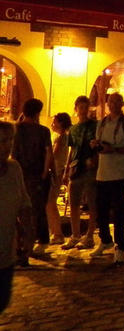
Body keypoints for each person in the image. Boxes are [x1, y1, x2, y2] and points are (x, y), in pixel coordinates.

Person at [92, 92, 124, 264]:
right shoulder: (102, 122)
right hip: (103, 172)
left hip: (120, 172)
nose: (112, 104)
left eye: (115, 102)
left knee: (119, 212)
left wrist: (115, 150)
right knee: (100, 210)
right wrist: (96, 145)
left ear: (122, 104)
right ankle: (105, 240)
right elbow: (99, 142)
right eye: (110, 101)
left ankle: (121, 247)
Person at [12, 98, 52, 257]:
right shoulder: (43, 131)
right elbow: (48, 152)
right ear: (37, 112)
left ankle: (23, 242)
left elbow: (13, 153)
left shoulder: (17, 129)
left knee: (21, 209)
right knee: (37, 208)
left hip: (21, 172)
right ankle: (41, 240)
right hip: (36, 174)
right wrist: (45, 172)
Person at [0, 121, 31, 313]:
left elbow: (24, 204)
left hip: (5, 256)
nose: (7, 146)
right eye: (2, 141)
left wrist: (27, 233)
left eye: (10, 140)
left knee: (2, 301)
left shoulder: (14, 169)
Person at [63, 95, 98, 250]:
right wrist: (66, 169)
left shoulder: (95, 126)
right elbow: (71, 150)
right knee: (74, 203)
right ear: (76, 109)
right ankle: (75, 234)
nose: (83, 111)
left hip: (90, 169)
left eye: (86, 107)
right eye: (80, 107)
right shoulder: (73, 129)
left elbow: (99, 145)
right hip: (76, 168)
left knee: (91, 203)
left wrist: (95, 159)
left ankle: (90, 235)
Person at [46, 112, 71, 245]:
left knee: (50, 203)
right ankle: (54, 231)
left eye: (55, 121)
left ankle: (57, 233)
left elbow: (52, 155)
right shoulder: (62, 136)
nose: (52, 123)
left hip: (56, 172)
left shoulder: (61, 137)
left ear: (60, 123)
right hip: (58, 172)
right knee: (50, 203)